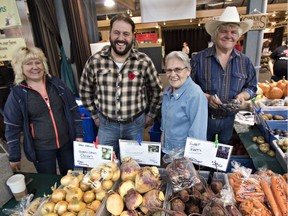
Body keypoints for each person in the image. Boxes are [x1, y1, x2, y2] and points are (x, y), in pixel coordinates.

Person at [79, 14, 163, 157]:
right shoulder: (95, 61)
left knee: (134, 167)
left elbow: (157, 90)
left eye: (126, 34)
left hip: (135, 125)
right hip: (106, 126)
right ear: (110, 33)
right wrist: (94, 115)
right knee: (105, 167)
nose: (121, 38)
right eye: (116, 33)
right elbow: (84, 91)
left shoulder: (143, 61)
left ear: (132, 36)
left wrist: (151, 114)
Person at [4, 47, 83, 175]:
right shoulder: (18, 94)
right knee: (48, 182)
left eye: (38, 62)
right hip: (41, 150)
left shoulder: (56, 84)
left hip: (66, 144)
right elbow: (12, 127)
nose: (35, 67)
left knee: (70, 179)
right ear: (20, 68)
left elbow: (73, 109)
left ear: (44, 64)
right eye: (29, 63)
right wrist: (14, 157)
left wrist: (79, 135)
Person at [191, 6, 257, 145]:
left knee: (223, 156)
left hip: (230, 121)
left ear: (237, 36)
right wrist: (206, 97)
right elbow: (188, 88)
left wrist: (243, 96)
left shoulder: (245, 62)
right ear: (216, 34)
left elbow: (251, 87)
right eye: (224, 31)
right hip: (204, 118)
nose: (229, 35)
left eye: (233, 32)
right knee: (203, 156)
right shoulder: (199, 59)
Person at [161, 51, 207, 155]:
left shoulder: (195, 95)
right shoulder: (167, 91)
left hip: (184, 158)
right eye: (169, 70)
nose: (173, 74)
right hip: (168, 152)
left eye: (178, 70)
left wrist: (189, 163)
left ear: (188, 71)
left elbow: (197, 136)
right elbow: (165, 126)